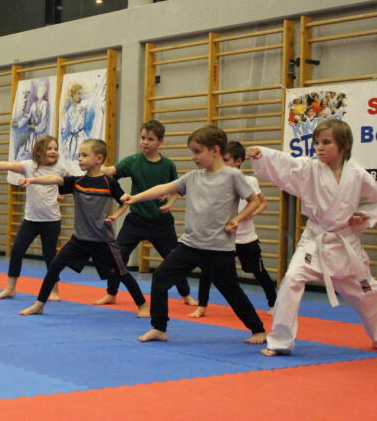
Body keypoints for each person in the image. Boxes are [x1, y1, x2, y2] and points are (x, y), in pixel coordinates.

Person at [124, 125, 266, 344]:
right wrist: (135, 198)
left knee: (231, 291)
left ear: (215, 150)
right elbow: (164, 188)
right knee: (160, 278)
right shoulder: (192, 177)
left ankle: (258, 330)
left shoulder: (232, 176)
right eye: (192, 152)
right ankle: (159, 328)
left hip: (218, 248)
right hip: (190, 245)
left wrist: (237, 219)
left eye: (197, 152)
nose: (193, 157)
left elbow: (254, 201)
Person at [247, 119, 377, 356]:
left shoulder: (358, 175)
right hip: (315, 242)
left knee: (367, 293)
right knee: (292, 280)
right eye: (317, 142)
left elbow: (373, 201)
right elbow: (287, 164)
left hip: (344, 244)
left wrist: (361, 216)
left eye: (326, 142)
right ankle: (280, 341)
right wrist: (262, 154)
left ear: (344, 146)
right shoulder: (309, 169)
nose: (319, 147)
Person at [17, 139, 147, 316]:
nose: (80, 159)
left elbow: (126, 201)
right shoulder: (77, 182)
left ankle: (142, 306)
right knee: (54, 266)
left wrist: (116, 215)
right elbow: (54, 179)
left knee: (122, 273)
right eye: (79, 155)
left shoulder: (109, 183)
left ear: (99, 159)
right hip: (79, 239)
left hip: (103, 240)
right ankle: (39, 304)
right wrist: (32, 180)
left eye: (84, 155)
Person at [98, 120, 198, 314]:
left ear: (160, 142)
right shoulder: (133, 161)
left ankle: (185, 293)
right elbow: (112, 171)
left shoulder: (167, 165)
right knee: (118, 255)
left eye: (150, 139)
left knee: (173, 258)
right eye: (142, 137)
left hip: (161, 222)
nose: (144, 142)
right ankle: (111, 292)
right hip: (136, 220)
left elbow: (175, 190)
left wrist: (169, 204)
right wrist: (95, 167)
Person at [189, 141, 276, 318]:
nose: (223, 163)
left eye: (227, 160)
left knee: (258, 271)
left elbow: (262, 203)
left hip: (245, 238)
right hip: (222, 238)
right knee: (207, 271)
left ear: (238, 161)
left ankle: (274, 303)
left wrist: (249, 214)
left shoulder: (249, 181)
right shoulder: (217, 181)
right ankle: (202, 306)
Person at [0, 135, 67, 300]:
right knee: (17, 251)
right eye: (49, 148)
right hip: (30, 220)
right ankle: (10, 288)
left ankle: (55, 290)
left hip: (51, 220)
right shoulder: (29, 166)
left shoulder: (60, 168)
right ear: (39, 151)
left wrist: (61, 194)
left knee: (50, 255)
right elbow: (7, 165)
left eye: (55, 148)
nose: (53, 151)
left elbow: (68, 183)